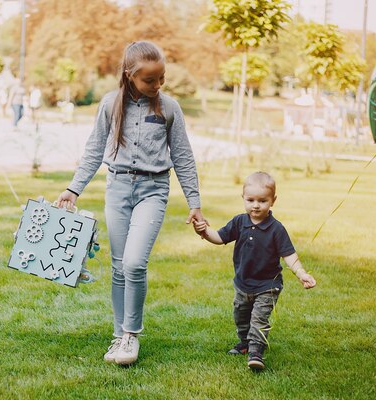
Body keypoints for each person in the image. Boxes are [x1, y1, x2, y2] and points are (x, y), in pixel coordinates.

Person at [55, 41, 206, 366]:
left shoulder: (169, 108)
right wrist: (73, 189)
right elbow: (95, 149)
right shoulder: (111, 104)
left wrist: (194, 201)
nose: (157, 86)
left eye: (161, 78)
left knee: (135, 263)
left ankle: (131, 335)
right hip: (119, 188)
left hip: (153, 190)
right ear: (130, 76)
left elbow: (182, 156)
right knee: (119, 267)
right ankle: (117, 335)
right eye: (149, 80)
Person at [192, 171, 316, 371]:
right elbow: (219, 237)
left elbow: (289, 255)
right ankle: (244, 343)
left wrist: (301, 273)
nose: (256, 205)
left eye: (262, 200)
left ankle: (256, 351)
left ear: (273, 201)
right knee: (241, 317)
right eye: (250, 200)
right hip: (243, 284)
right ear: (243, 198)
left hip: (267, 286)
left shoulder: (276, 229)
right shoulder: (239, 222)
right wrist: (204, 231)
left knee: (258, 318)